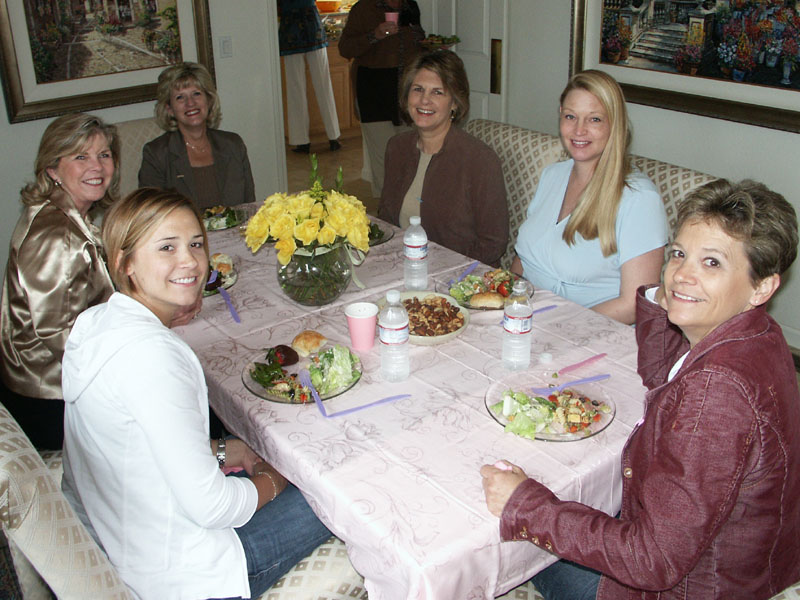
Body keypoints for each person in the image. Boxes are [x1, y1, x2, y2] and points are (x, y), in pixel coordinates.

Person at [482, 179, 800, 600]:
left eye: (712, 263)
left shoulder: (717, 393)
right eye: (679, 254)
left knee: (505, 538)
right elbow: (662, 374)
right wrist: (666, 296)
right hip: (740, 562)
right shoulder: (757, 334)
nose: (683, 274)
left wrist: (525, 505)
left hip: (686, 587)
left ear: (762, 287)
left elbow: (653, 560)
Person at [61, 188, 331, 599]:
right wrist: (276, 478)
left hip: (121, 536)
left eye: (196, 244)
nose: (189, 261)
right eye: (166, 247)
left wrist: (223, 451)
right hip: (188, 574)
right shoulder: (154, 357)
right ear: (124, 263)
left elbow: (142, 447)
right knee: (335, 482)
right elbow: (213, 507)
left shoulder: (95, 324)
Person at [0, 113, 119, 450]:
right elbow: (61, 336)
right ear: (52, 169)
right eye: (81, 156)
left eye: (104, 154)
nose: (97, 166)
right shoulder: (57, 235)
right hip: (50, 400)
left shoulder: (60, 212)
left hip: (43, 382)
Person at [512, 70, 667, 324]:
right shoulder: (552, 175)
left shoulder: (639, 199)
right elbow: (524, 259)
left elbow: (634, 305)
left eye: (594, 119)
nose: (579, 130)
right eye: (570, 116)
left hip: (588, 333)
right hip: (526, 320)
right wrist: (506, 300)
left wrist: (561, 325)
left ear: (615, 124)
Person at [378, 50, 508, 266]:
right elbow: (387, 220)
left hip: (460, 275)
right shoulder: (397, 147)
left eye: (437, 92)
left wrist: (441, 272)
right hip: (404, 266)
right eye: (418, 89)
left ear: (455, 102)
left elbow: (493, 243)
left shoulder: (480, 160)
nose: (424, 100)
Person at [139, 62, 256, 210]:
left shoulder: (233, 144)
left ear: (209, 100)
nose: (190, 103)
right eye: (180, 97)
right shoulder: (156, 154)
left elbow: (249, 207)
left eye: (196, 94)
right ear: (169, 109)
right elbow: (151, 213)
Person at [339, 0, 425, 198]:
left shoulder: (410, 5)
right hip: (374, 90)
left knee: (411, 153)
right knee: (383, 157)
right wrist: (375, 35)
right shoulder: (364, 8)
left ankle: (409, 208)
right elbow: (345, 49)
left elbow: (416, 46)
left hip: (407, 89)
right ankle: (386, 209)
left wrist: (429, 46)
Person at [278, 0, 342, 154]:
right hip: (310, 24)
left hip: (291, 27)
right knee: (322, 83)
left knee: (296, 87)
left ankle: (301, 141)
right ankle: (333, 137)